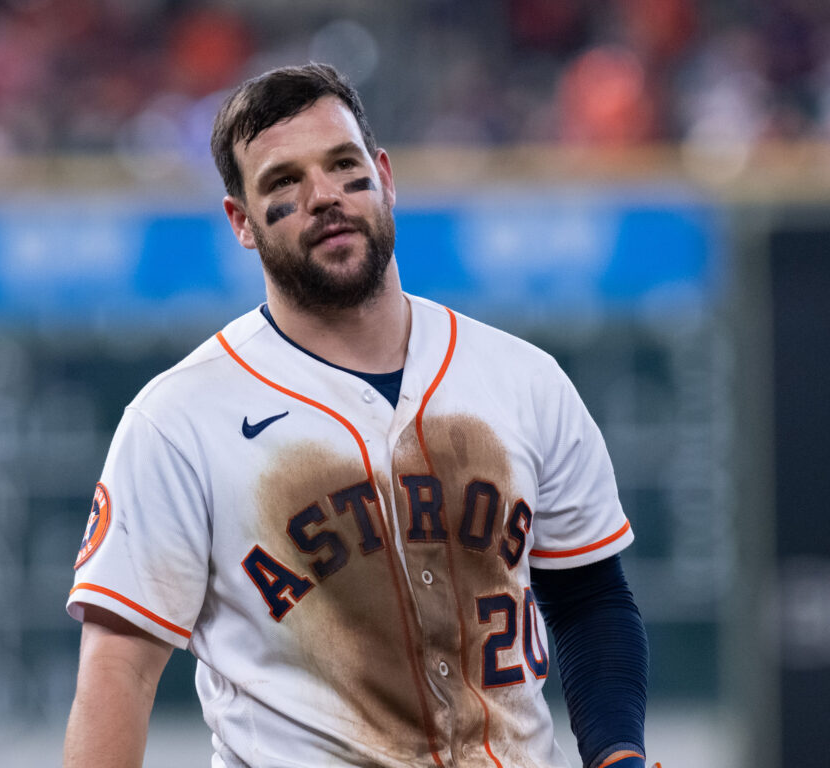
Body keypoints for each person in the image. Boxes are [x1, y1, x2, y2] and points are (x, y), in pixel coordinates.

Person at [63, 63, 651, 768]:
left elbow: (589, 596)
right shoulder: (179, 419)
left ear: (385, 176)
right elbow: (119, 668)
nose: (324, 196)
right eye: (284, 181)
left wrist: (617, 753)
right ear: (241, 222)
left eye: (343, 166)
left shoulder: (521, 380)